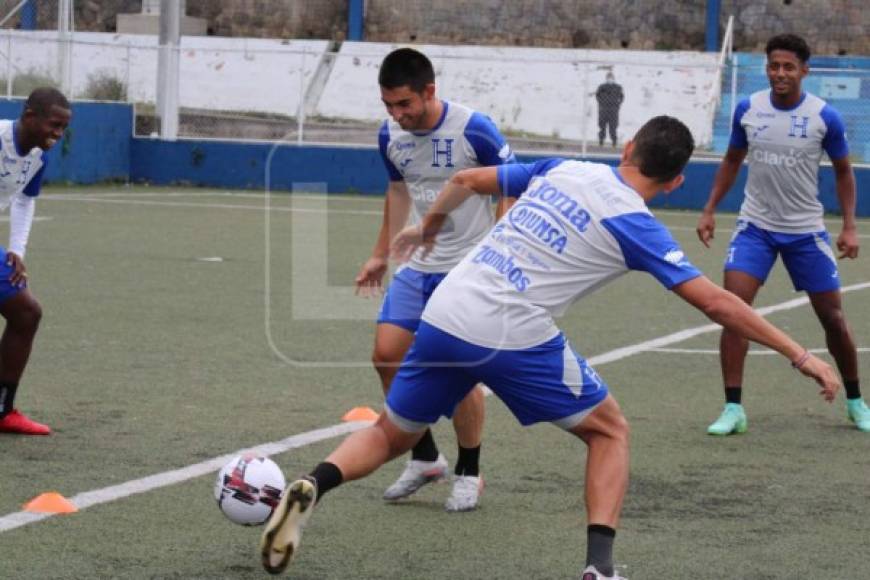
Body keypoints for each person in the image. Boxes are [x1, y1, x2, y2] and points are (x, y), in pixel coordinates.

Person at [260, 116, 840, 578]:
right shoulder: (636, 223)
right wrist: (801, 354)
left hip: (448, 305)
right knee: (609, 431)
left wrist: (427, 228)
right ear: (676, 181)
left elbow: (465, 181)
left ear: (629, 145)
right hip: (510, 328)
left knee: (392, 431)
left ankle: (314, 481)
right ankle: (599, 568)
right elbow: (717, 304)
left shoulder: (567, 167)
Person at [353, 47, 515, 511]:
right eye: (388, 105)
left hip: (469, 268)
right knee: (385, 356)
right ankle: (425, 458)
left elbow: (509, 185)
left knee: (458, 370)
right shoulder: (390, 136)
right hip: (419, 266)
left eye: (403, 104)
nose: (396, 115)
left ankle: (469, 469)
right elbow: (398, 191)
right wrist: (380, 254)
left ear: (429, 91)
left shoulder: (473, 129)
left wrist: (499, 250)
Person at [696, 33, 868, 436]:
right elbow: (732, 160)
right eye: (774, 65)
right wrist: (708, 210)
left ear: (804, 71)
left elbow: (844, 172)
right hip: (755, 227)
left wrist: (848, 226)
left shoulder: (825, 117)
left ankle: (857, 401)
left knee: (833, 318)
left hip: (806, 233)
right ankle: (733, 409)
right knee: (734, 311)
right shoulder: (748, 109)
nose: (780, 73)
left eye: (788, 66)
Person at [0, 87, 71, 436]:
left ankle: (2, 410)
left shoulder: (38, 157)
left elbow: (25, 200)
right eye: (53, 125)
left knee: (26, 312)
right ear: (30, 117)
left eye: (63, 128)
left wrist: (17, 250)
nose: (57, 134)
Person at [595, 72, 624, 148]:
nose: (610, 79)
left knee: (613, 127)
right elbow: (597, 95)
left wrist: (617, 104)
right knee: (602, 126)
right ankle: (601, 141)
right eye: (608, 77)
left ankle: (614, 142)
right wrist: (601, 102)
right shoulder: (602, 87)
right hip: (603, 110)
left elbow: (622, 97)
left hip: (613, 110)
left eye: (611, 77)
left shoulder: (617, 87)